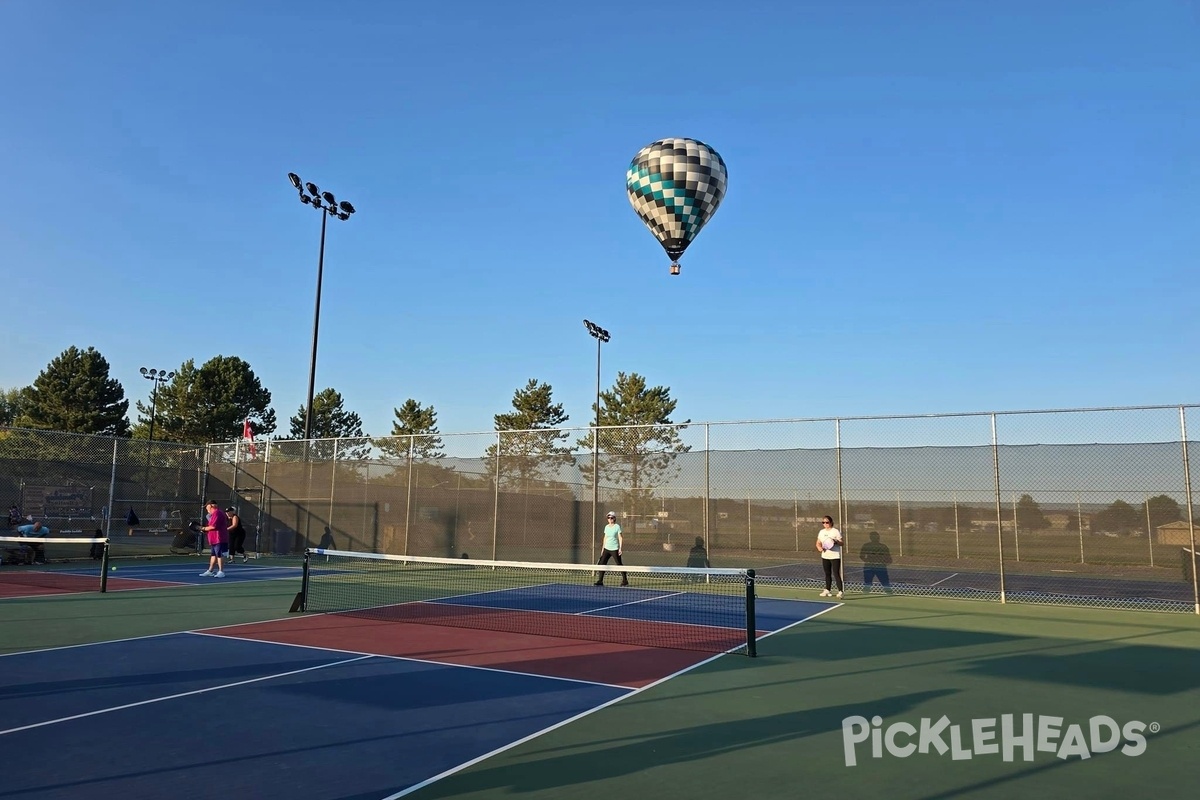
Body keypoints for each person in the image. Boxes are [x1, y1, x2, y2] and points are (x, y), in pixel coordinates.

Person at [594, 512, 628, 587]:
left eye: (611, 518)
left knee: (619, 564)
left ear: (614, 518)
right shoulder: (606, 527)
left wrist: (620, 548)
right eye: (608, 518)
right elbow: (605, 537)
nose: (610, 519)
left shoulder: (617, 527)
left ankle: (625, 580)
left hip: (614, 549)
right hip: (606, 548)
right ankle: (600, 581)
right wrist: (603, 548)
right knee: (602, 564)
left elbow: (620, 537)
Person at [815, 515, 844, 599]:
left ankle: (840, 591)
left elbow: (842, 543)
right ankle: (827, 589)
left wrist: (836, 541)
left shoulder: (835, 531)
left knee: (836, 573)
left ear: (831, 522)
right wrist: (819, 548)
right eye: (823, 522)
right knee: (827, 574)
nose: (825, 524)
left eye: (827, 522)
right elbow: (818, 542)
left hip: (835, 556)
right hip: (825, 556)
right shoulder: (821, 532)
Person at [199, 501, 229, 577]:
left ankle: (221, 572)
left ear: (211, 506)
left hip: (219, 538)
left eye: (207, 506)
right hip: (213, 538)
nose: (206, 508)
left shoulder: (217, 513)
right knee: (213, 554)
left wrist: (203, 528)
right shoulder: (212, 515)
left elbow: (213, 526)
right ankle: (210, 570)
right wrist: (204, 529)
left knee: (219, 554)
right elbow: (211, 526)